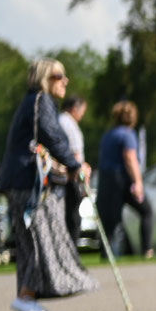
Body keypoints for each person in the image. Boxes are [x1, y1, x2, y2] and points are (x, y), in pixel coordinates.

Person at [0, 58, 95, 311]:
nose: (66, 81)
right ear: (44, 78)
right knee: (41, 242)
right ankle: (26, 299)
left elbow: (48, 140)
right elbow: (52, 136)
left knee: (30, 244)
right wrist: (75, 164)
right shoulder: (41, 100)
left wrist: (67, 165)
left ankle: (27, 308)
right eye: (59, 76)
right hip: (29, 185)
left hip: (21, 182)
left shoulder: (36, 102)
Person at [96, 100, 152, 260]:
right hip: (122, 179)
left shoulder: (108, 135)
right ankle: (147, 250)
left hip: (106, 180)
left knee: (110, 221)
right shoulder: (128, 134)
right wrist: (138, 182)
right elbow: (130, 158)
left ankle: (106, 255)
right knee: (146, 211)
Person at [58, 96, 90, 244]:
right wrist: (83, 175)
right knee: (73, 218)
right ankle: (71, 251)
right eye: (82, 111)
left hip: (68, 175)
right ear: (74, 109)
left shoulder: (62, 121)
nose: (82, 115)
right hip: (72, 176)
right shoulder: (68, 123)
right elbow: (75, 153)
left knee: (70, 216)